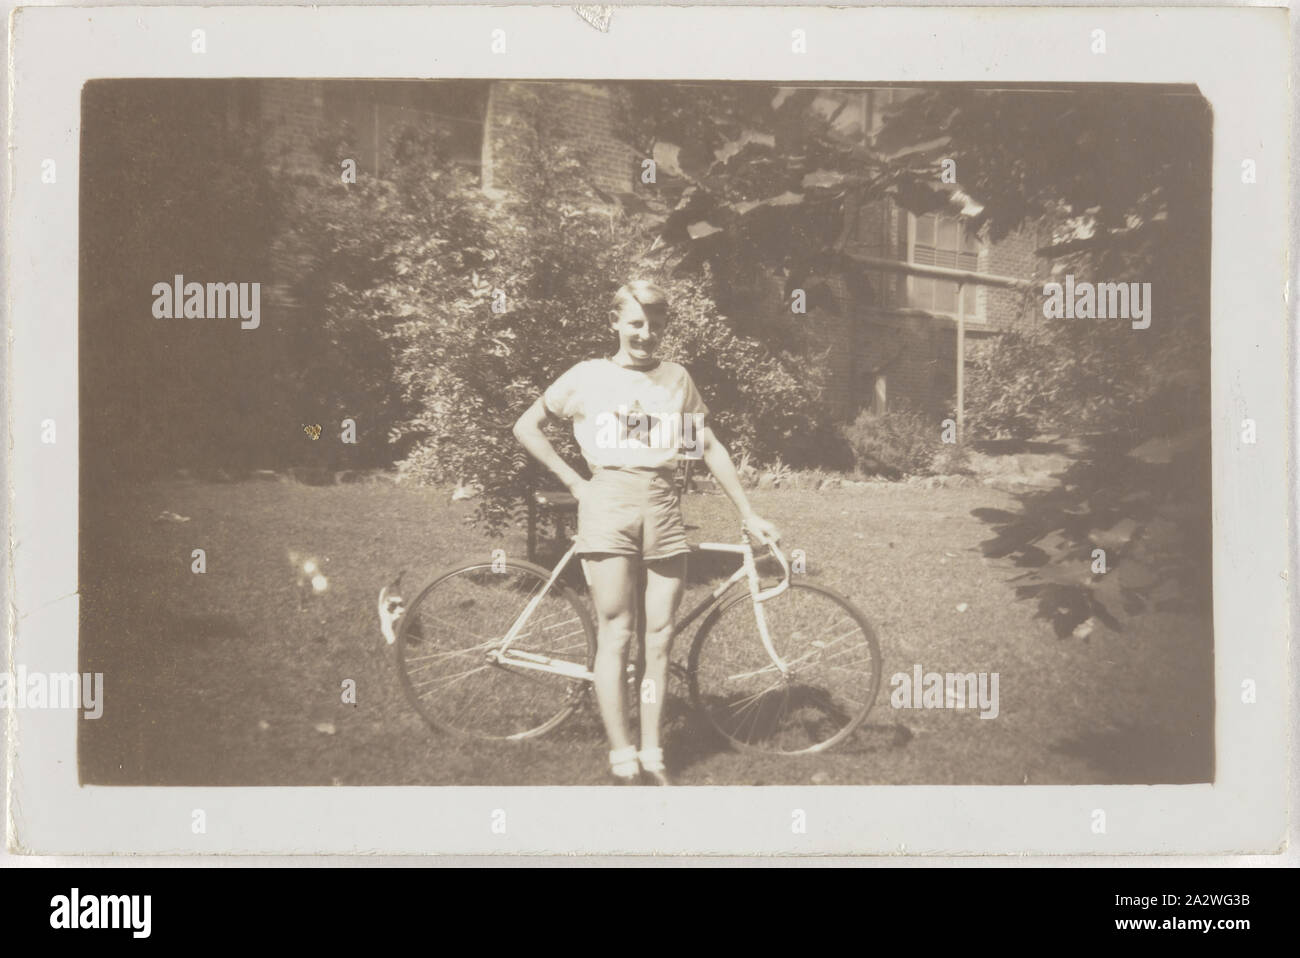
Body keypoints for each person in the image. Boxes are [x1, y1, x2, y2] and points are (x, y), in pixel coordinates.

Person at [512, 280, 780, 785]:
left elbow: (709, 446)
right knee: (617, 634)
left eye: (656, 325)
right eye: (636, 323)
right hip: (608, 503)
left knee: (658, 639)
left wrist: (748, 511)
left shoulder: (676, 379)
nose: (646, 334)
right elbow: (526, 426)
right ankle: (621, 754)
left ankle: (653, 749)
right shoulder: (587, 377)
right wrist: (573, 481)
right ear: (614, 322)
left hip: (662, 507)